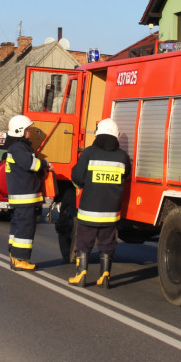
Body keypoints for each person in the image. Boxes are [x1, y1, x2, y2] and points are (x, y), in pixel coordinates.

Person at [68, 118, 132, 289]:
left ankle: (81, 274)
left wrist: (83, 185)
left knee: (84, 241)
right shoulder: (122, 157)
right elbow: (126, 176)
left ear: (98, 135)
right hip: (111, 212)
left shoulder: (89, 153)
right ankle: (105, 276)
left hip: (89, 210)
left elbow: (77, 177)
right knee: (107, 242)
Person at [4, 114, 48, 272]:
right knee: (25, 227)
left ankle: (14, 255)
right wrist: (44, 163)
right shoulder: (18, 147)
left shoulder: (16, 146)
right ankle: (19, 258)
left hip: (21, 195)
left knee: (18, 225)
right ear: (21, 131)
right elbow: (30, 164)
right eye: (28, 129)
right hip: (24, 196)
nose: (30, 132)